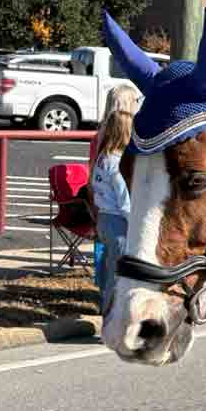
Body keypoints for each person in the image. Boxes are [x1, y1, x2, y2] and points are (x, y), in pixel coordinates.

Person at [90, 105, 132, 316]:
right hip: (118, 222)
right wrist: (134, 222)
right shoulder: (117, 163)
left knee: (109, 269)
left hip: (104, 218)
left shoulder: (102, 157)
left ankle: (105, 308)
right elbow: (124, 200)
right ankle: (112, 315)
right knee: (119, 274)